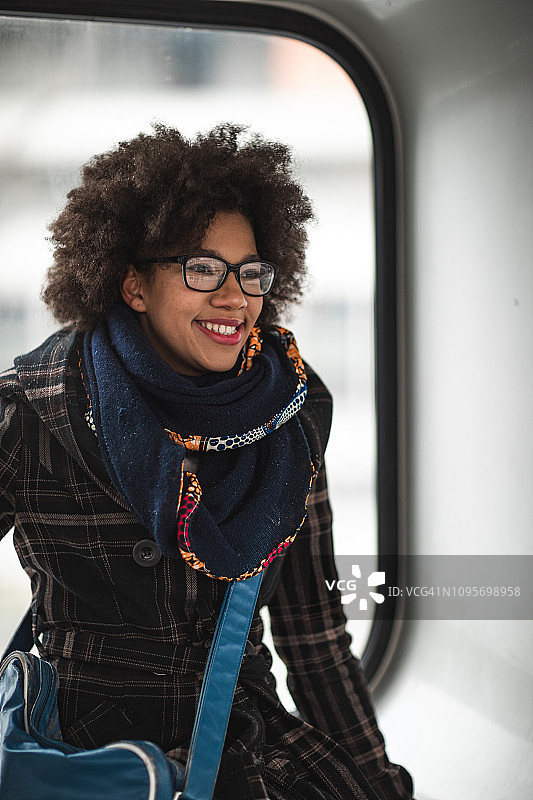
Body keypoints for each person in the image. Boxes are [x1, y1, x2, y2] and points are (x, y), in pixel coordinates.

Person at [0, 124, 413, 800]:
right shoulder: (31, 410)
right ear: (133, 284)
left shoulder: (290, 416)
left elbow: (313, 636)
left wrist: (379, 784)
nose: (234, 297)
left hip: (244, 746)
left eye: (250, 272)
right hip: (81, 759)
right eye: (201, 269)